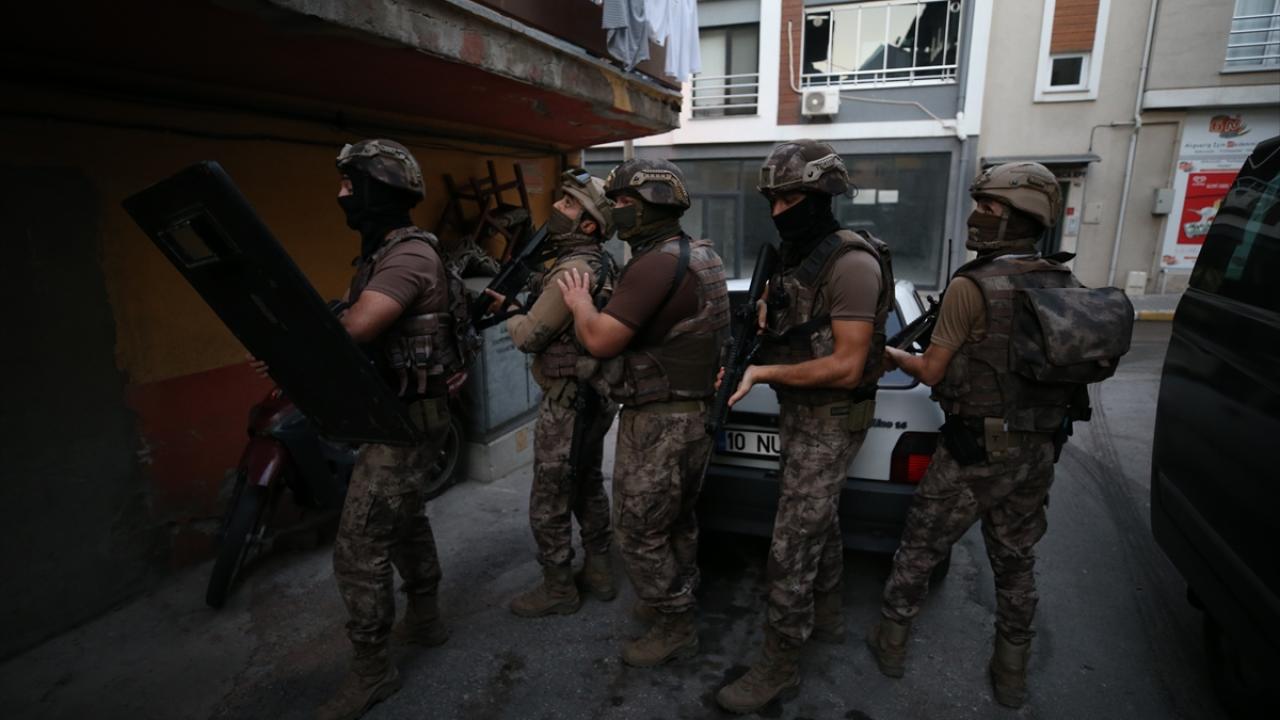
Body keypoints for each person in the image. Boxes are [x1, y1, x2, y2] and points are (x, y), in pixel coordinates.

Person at [866, 162, 1072, 709]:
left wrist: (893, 355)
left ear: (1018, 216)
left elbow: (932, 372)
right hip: (1038, 449)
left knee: (920, 548)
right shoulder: (1061, 279)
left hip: (975, 450)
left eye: (989, 206)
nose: (976, 215)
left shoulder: (971, 284)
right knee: (1016, 562)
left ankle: (891, 644)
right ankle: (1011, 673)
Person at [714, 140, 894, 714]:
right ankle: (830, 616)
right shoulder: (799, 257)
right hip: (803, 417)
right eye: (772, 200)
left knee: (791, 544)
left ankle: (779, 665)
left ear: (823, 197)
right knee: (820, 522)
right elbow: (800, 331)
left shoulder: (852, 264)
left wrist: (762, 371)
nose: (777, 211)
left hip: (831, 422)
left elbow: (846, 365)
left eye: (790, 200)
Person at [318, 138, 472, 720]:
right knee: (406, 520)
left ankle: (372, 671)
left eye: (349, 185)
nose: (341, 195)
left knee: (359, 546)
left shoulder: (407, 257)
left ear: (377, 190)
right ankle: (426, 620)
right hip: (400, 414)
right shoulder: (383, 254)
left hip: (407, 422)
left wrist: (303, 336)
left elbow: (357, 327)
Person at [556, 158, 729, 667]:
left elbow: (600, 339)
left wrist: (579, 303)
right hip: (693, 416)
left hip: (659, 421)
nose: (617, 212)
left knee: (636, 528)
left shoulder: (655, 264)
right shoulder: (699, 254)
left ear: (652, 207)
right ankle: (678, 595)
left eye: (624, 203)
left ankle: (674, 623)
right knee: (676, 520)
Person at [484, 169, 620, 617]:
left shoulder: (574, 270)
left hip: (568, 400)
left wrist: (512, 311)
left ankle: (558, 587)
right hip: (595, 395)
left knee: (550, 496)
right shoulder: (600, 261)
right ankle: (600, 570)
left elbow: (529, 336)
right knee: (587, 483)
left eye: (569, 204)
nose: (557, 208)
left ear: (589, 224)